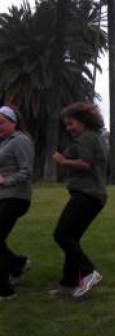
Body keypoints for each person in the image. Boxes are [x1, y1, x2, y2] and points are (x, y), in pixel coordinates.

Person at [51, 103, 108, 297]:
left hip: (87, 194)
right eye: (66, 125)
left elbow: (86, 164)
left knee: (62, 235)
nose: (68, 128)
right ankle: (68, 283)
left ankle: (89, 272)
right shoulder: (94, 137)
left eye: (71, 123)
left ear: (83, 122)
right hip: (93, 195)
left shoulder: (87, 137)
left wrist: (62, 161)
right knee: (71, 237)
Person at [0, 105, 34, 301]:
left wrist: (6, 181)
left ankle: (5, 290)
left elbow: (26, 171)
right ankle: (17, 265)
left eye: (1, 123)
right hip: (4, 197)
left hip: (16, 197)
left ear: (13, 122)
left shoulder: (20, 140)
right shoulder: (3, 143)